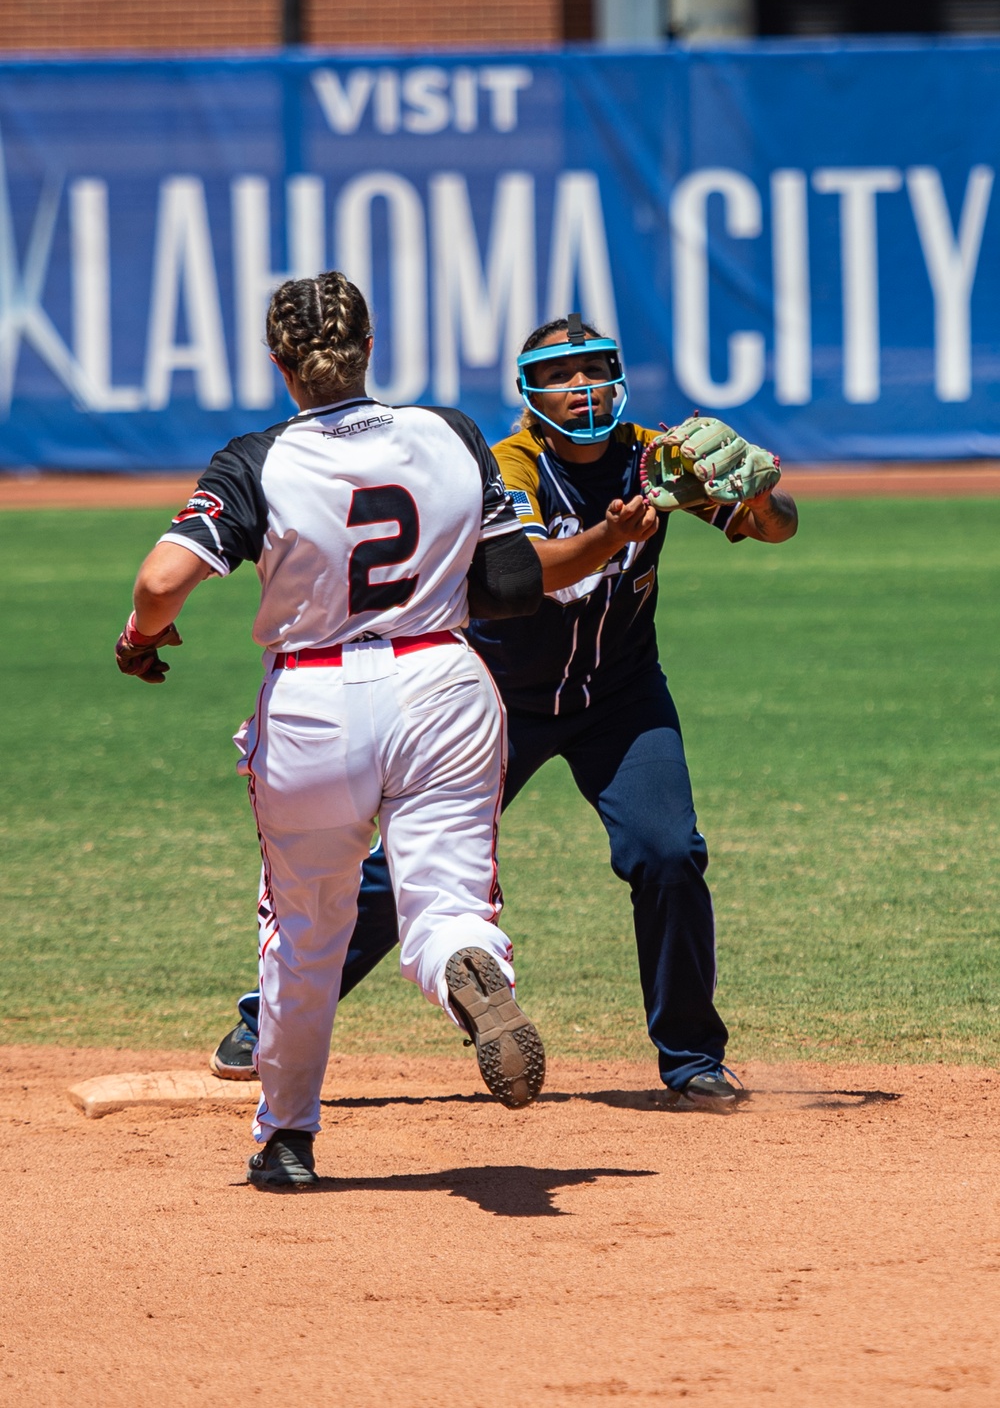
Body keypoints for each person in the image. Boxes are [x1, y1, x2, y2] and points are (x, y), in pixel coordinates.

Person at [211, 312, 799, 1109]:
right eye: (561, 375)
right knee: (396, 874)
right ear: (528, 392)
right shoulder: (506, 462)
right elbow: (537, 570)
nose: (582, 387)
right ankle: (262, 1021)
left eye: (594, 369)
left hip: (620, 694)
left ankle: (692, 1058)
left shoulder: (655, 455)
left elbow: (773, 530)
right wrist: (608, 536)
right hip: (500, 697)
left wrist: (760, 489)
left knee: (668, 854)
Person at [116, 271, 545, 1187]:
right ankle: (469, 963)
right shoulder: (451, 433)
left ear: (280, 365)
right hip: (442, 681)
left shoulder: (258, 459)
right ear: (370, 350)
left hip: (315, 702)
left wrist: (142, 638)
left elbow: (160, 585)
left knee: (307, 934)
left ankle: (287, 1139)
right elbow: (511, 590)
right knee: (446, 903)